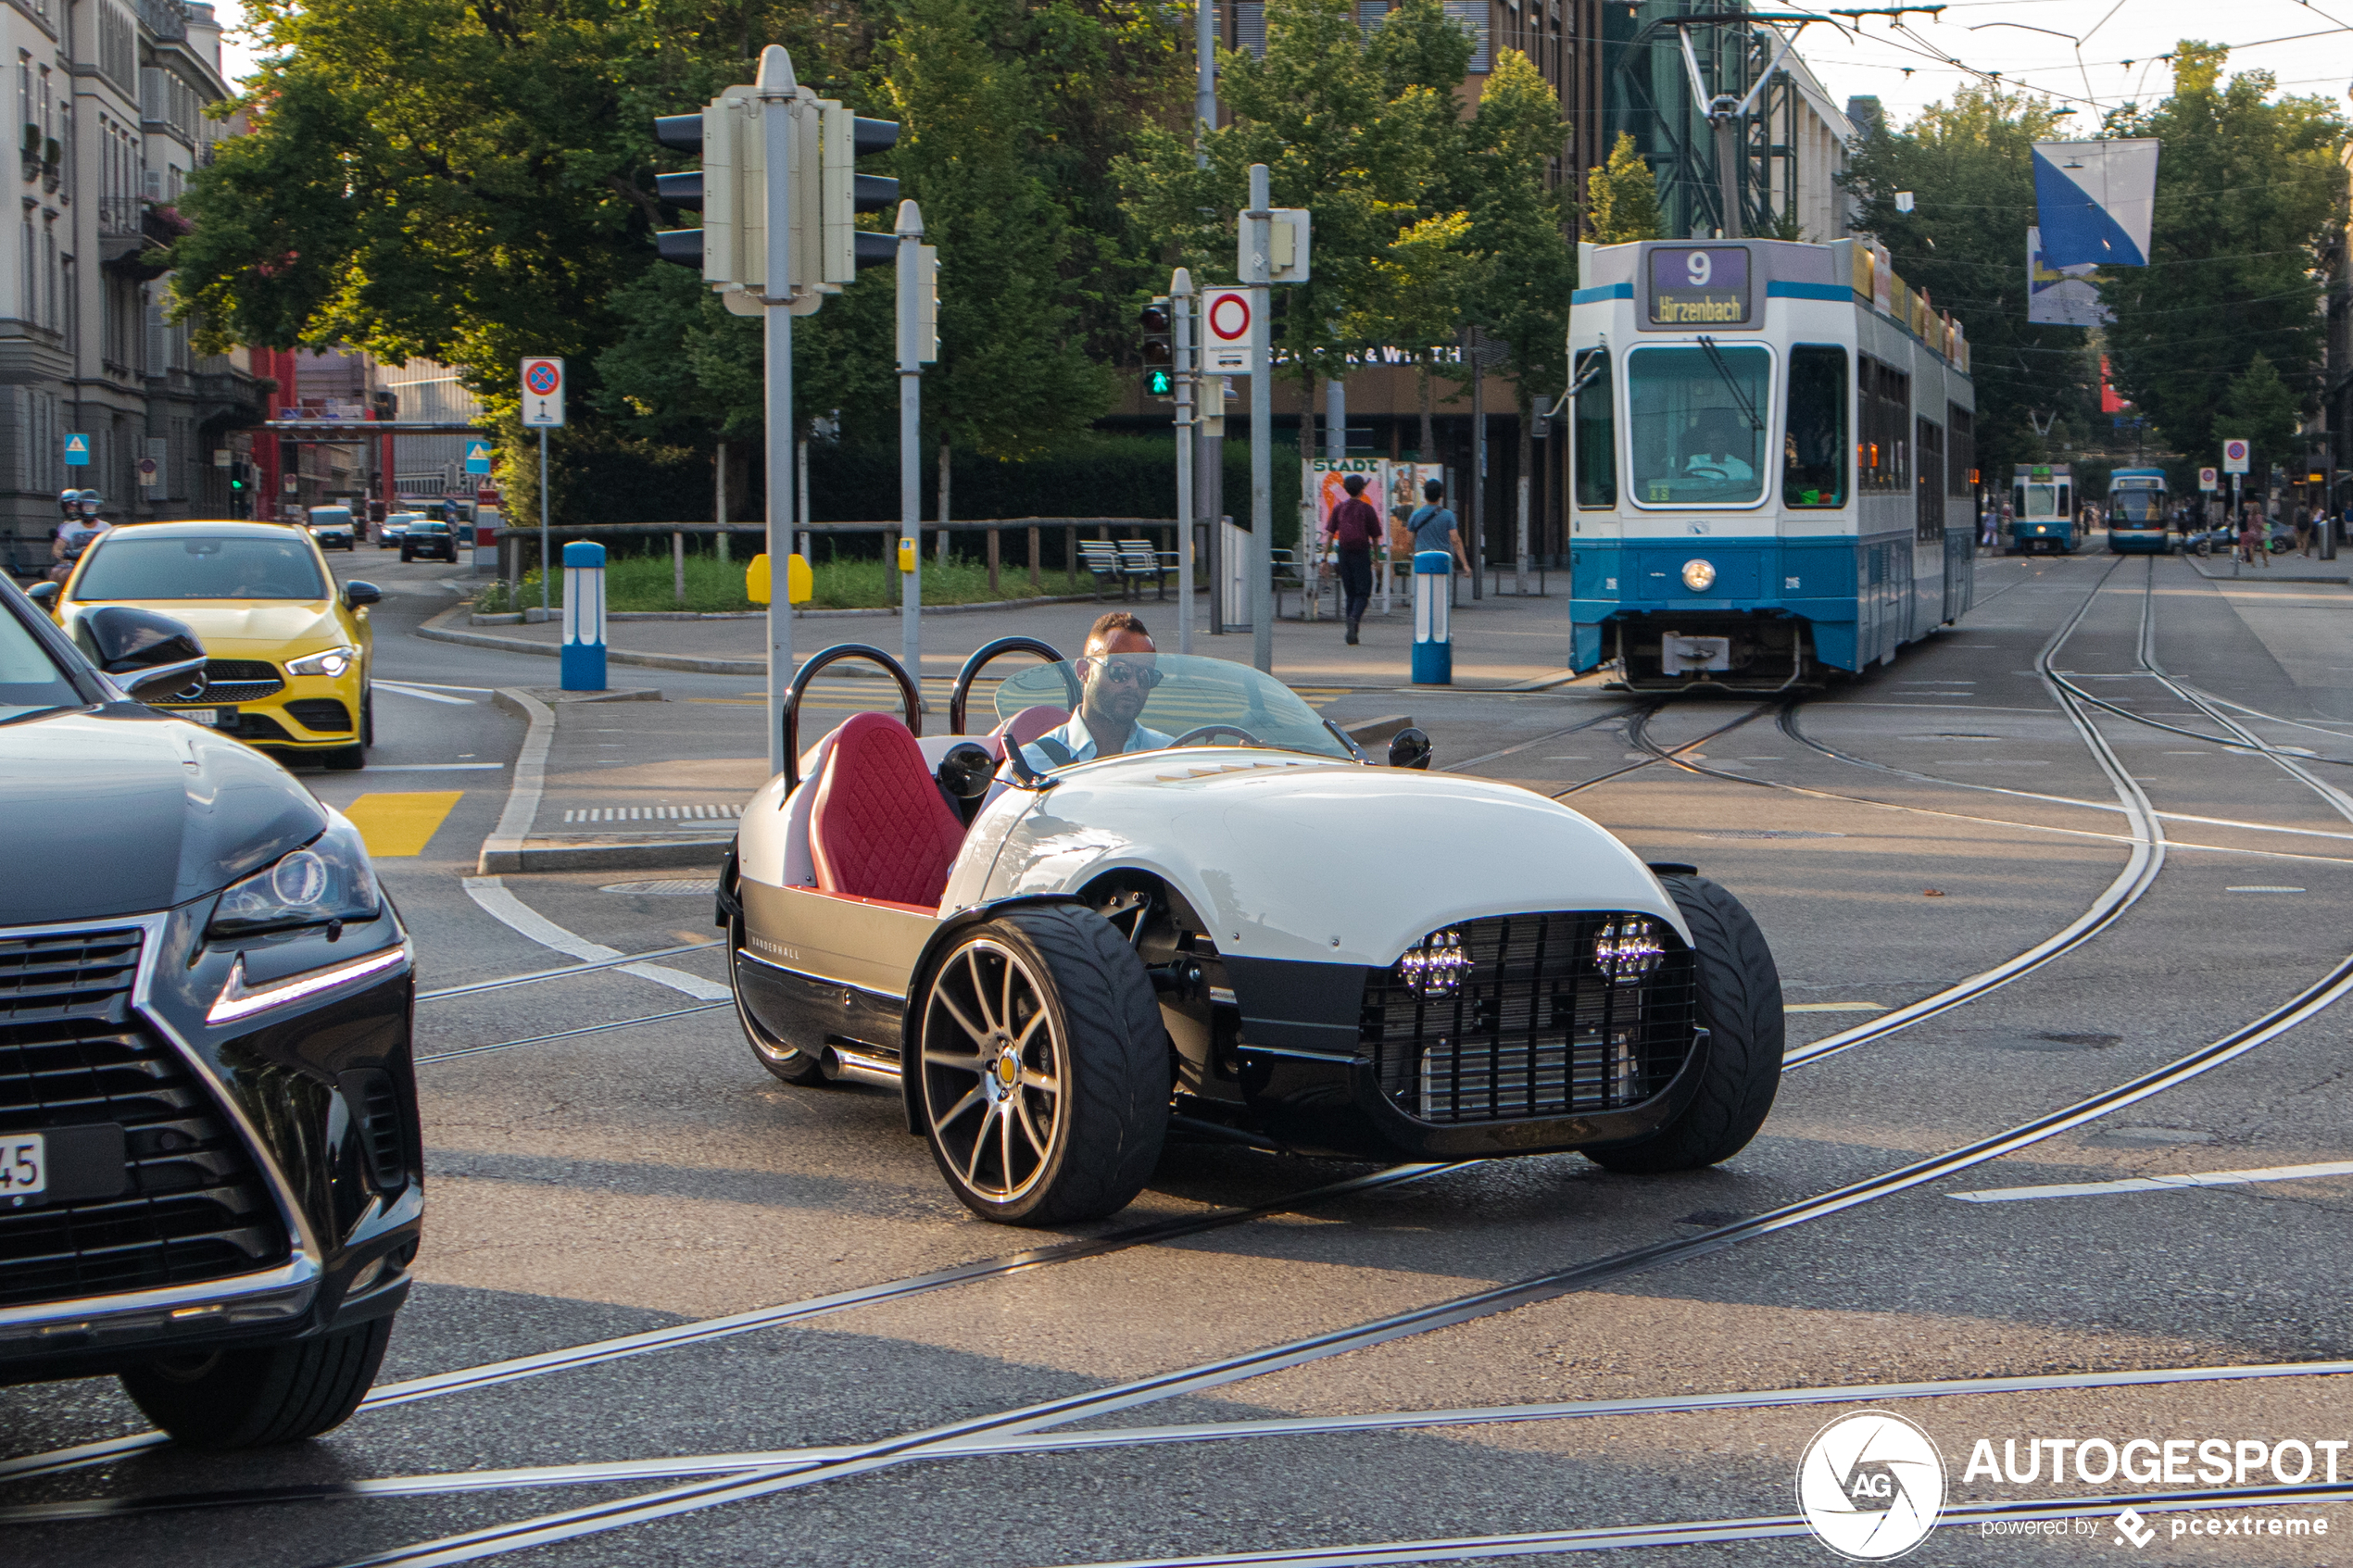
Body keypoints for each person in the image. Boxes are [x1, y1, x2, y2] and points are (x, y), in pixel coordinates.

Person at [1019, 611, 1176, 771]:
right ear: (1083, 671)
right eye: (1119, 671)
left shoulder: (1170, 755)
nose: (1134, 684)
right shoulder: (1030, 764)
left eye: (1146, 676)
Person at [1323, 473, 1382, 646]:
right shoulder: (1367, 509)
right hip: (1361, 553)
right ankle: (1354, 619)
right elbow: (1375, 537)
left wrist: (1324, 558)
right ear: (1362, 490)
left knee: (1350, 592)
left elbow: (1329, 535)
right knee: (1363, 592)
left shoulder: (1339, 508)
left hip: (1344, 553)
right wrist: (1376, 558)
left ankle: (1352, 631)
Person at [1404, 479, 1470, 575]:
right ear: (1441, 495)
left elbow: (1409, 539)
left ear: (1425, 495)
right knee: (1442, 588)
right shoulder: (1448, 515)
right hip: (1442, 558)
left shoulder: (1416, 515)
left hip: (1422, 558)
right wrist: (1465, 564)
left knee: (1422, 587)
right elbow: (1455, 540)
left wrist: (1413, 552)